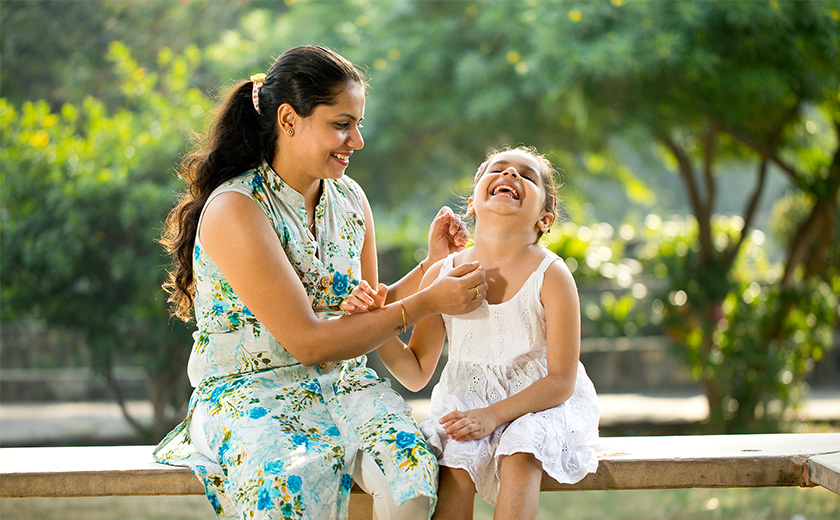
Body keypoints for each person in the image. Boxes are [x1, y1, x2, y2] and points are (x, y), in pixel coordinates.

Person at [154, 45, 488, 520]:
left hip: (345, 385)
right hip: (253, 393)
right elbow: (309, 340)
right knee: (292, 483)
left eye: (359, 125)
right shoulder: (237, 208)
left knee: (413, 478)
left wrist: (431, 266)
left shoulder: (351, 198)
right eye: (341, 124)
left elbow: (370, 312)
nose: (357, 140)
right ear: (289, 120)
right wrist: (425, 301)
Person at [347, 146, 600, 520]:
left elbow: (561, 381)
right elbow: (415, 372)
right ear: (471, 203)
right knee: (456, 461)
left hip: (541, 403)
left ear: (545, 219)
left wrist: (495, 415)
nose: (510, 176)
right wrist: (377, 321)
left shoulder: (551, 275)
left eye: (526, 176)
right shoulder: (442, 276)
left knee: (519, 452)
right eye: (497, 169)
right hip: (469, 402)